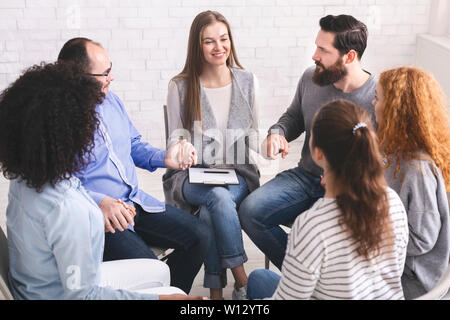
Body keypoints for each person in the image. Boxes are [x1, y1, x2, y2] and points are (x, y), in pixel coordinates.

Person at [0, 61, 205, 300]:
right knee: (170, 291)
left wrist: (97, 211)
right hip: (63, 293)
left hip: (39, 285)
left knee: (160, 271)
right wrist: (162, 300)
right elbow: (84, 296)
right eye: (88, 122)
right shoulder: (69, 211)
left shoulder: (26, 178)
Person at [57, 38, 211, 295]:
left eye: (110, 69)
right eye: (104, 73)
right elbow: (58, 184)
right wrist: (99, 202)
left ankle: (172, 293)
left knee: (201, 235)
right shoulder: (57, 119)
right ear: (77, 76)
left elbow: (134, 144)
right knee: (150, 270)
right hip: (102, 219)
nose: (111, 77)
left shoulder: (113, 102)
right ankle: (161, 292)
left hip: (134, 202)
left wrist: (165, 157)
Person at [238, 14, 377, 270]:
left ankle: (309, 280)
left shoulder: (377, 98)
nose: (314, 55)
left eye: (323, 50)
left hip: (349, 190)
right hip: (305, 176)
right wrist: (277, 132)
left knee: (337, 242)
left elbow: (384, 161)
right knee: (250, 211)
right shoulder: (312, 77)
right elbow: (294, 117)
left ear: (349, 56)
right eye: (316, 46)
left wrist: (348, 177)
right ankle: (303, 276)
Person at [246, 99, 409, 300]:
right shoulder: (392, 202)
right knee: (260, 278)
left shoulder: (312, 226)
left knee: (257, 280)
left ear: (318, 153)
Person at [162, 10, 261, 300]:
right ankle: (242, 281)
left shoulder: (247, 81)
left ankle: (215, 290)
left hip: (237, 173)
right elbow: (175, 142)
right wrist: (183, 150)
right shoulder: (180, 86)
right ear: (197, 46)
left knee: (213, 205)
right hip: (191, 177)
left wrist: (268, 143)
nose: (219, 47)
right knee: (215, 196)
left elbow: (253, 136)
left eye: (223, 38)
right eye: (209, 41)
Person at [373, 66, 450, 299]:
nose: (372, 103)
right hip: (393, 265)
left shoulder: (417, 169)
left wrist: (370, 238)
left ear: (396, 110)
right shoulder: (396, 150)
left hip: (409, 279)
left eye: (377, 98)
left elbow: (421, 240)